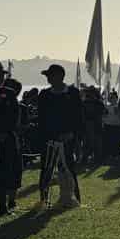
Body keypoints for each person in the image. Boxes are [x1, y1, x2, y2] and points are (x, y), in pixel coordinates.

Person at [36, 65, 82, 208]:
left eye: (50, 75)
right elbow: (41, 118)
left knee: (69, 167)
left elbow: (78, 116)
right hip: (49, 139)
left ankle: (74, 198)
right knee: (46, 169)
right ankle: (44, 199)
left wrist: (72, 134)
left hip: (68, 138)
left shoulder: (73, 93)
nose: (48, 78)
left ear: (59, 76)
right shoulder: (44, 95)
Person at [0, 70, 23, 215]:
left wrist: (6, 131)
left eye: (1, 75)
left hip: (8, 136)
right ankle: (2, 204)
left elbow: (15, 115)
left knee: (12, 168)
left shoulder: (9, 93)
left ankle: (10, 201)